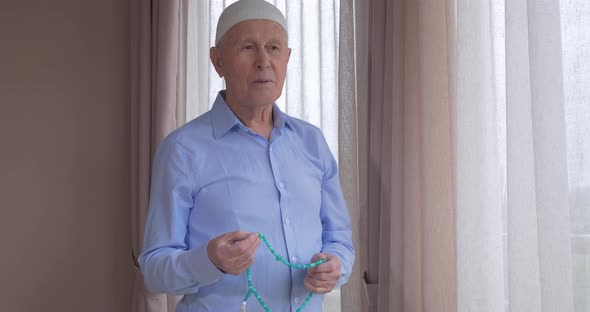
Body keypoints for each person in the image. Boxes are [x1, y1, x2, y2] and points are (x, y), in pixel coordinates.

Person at [139, 0, 354, 311]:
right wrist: (209, 261)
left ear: (288, 58)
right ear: (217, 61)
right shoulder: (182, 150)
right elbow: (154, 270)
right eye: (248, 48)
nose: (264, 61)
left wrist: (336, 265)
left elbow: (340, 241)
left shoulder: (312, 143)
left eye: (274, 48)